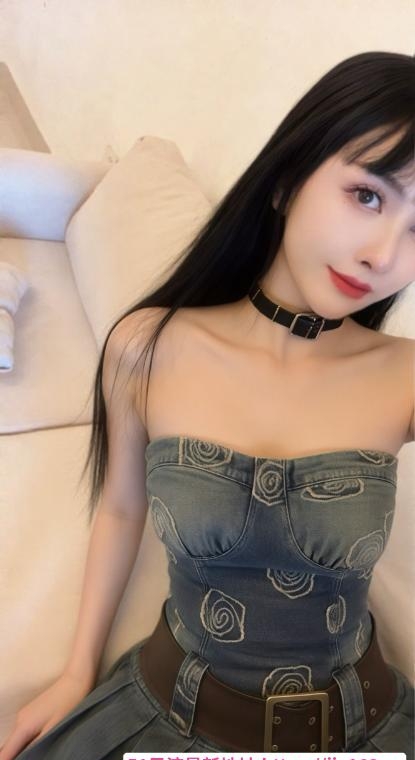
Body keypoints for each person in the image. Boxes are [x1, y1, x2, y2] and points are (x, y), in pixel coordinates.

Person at [2, 49, 415, 759]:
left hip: (365, 729)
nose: (382, 255)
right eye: (367, 196)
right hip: (172, 716)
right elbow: (121, 508)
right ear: (287, 178)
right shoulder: (145, 346)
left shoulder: (403, 375)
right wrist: (75, 672)